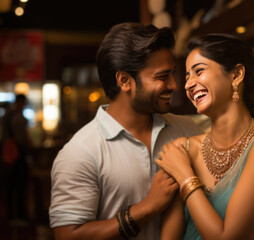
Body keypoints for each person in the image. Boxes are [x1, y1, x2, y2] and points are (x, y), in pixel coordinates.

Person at [49, 22, 202, 240]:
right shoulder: (81, 152)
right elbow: (67, 236)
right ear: (124, 80)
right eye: (162, 76)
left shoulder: (189, 130)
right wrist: (147, 207)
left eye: (173, 74)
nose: (174, 85)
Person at [155, 34, 254, 239]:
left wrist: (185, 176)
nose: (188, 85)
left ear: (236, 75)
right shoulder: (183, 149)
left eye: (199, 71)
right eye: (186, 76)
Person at [2, 93, 31, 223]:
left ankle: (10, 215)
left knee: (9, 185)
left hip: (7, 154)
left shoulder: (6, 116)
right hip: (18, 154)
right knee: (20, 185)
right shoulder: (18, 117)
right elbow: (23, 138)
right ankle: (20, 215)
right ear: (21, 102)